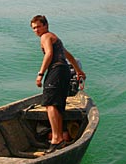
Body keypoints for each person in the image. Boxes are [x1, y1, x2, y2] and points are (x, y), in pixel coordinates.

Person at [30, 15, 86, 153]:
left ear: (45, 25)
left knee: (50, 105)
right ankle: (59, 137)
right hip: (65, 71)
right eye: (34, 28)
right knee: (58, 105)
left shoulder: (46, 37)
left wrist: (40, 74)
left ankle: (56, 140)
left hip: (56, 70)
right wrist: (79, 71)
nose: (36, 30)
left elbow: (48, 54)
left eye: (38, 26)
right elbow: (69, 56)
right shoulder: (56, 38)